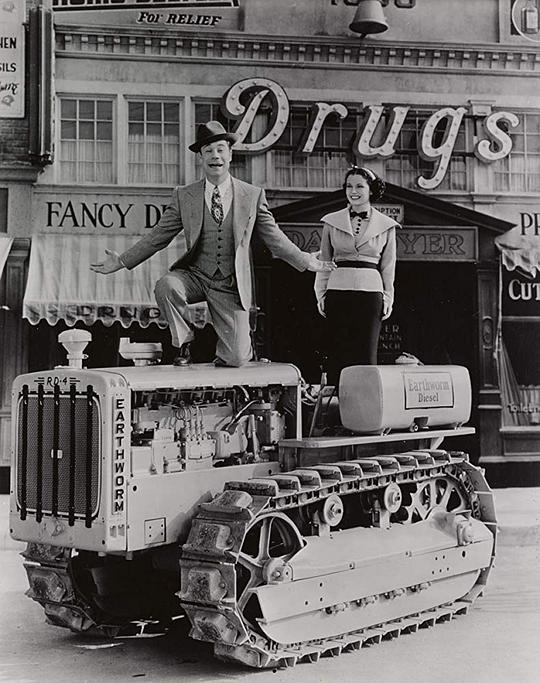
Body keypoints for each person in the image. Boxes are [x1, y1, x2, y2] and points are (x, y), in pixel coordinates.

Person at [90, 120, 334, 367]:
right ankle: (184, 341)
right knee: (166, 286)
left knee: (237, 358)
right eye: (208, 151)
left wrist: (305, 260)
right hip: (195, 276)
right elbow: (158, 236)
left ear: (230, 154)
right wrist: (122, 261)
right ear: (200, 157)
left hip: (229, 283)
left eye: (220, 149)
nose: (215, 156)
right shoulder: (184, 195)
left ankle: (230, 353)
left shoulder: (252, 195)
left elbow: (274, 238)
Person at [314, 166, 398, 386]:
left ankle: (365, 405)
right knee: (337, 352)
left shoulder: (387, 226)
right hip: (337, 291)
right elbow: (324, 260)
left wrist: (388, 297)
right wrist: (320, 293)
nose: (353, 191)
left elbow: (388, 266)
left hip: (371, 294)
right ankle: (337, 403)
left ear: (371, 190)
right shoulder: (331, 222)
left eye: (360, 186)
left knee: (366, 353)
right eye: (349, 186)